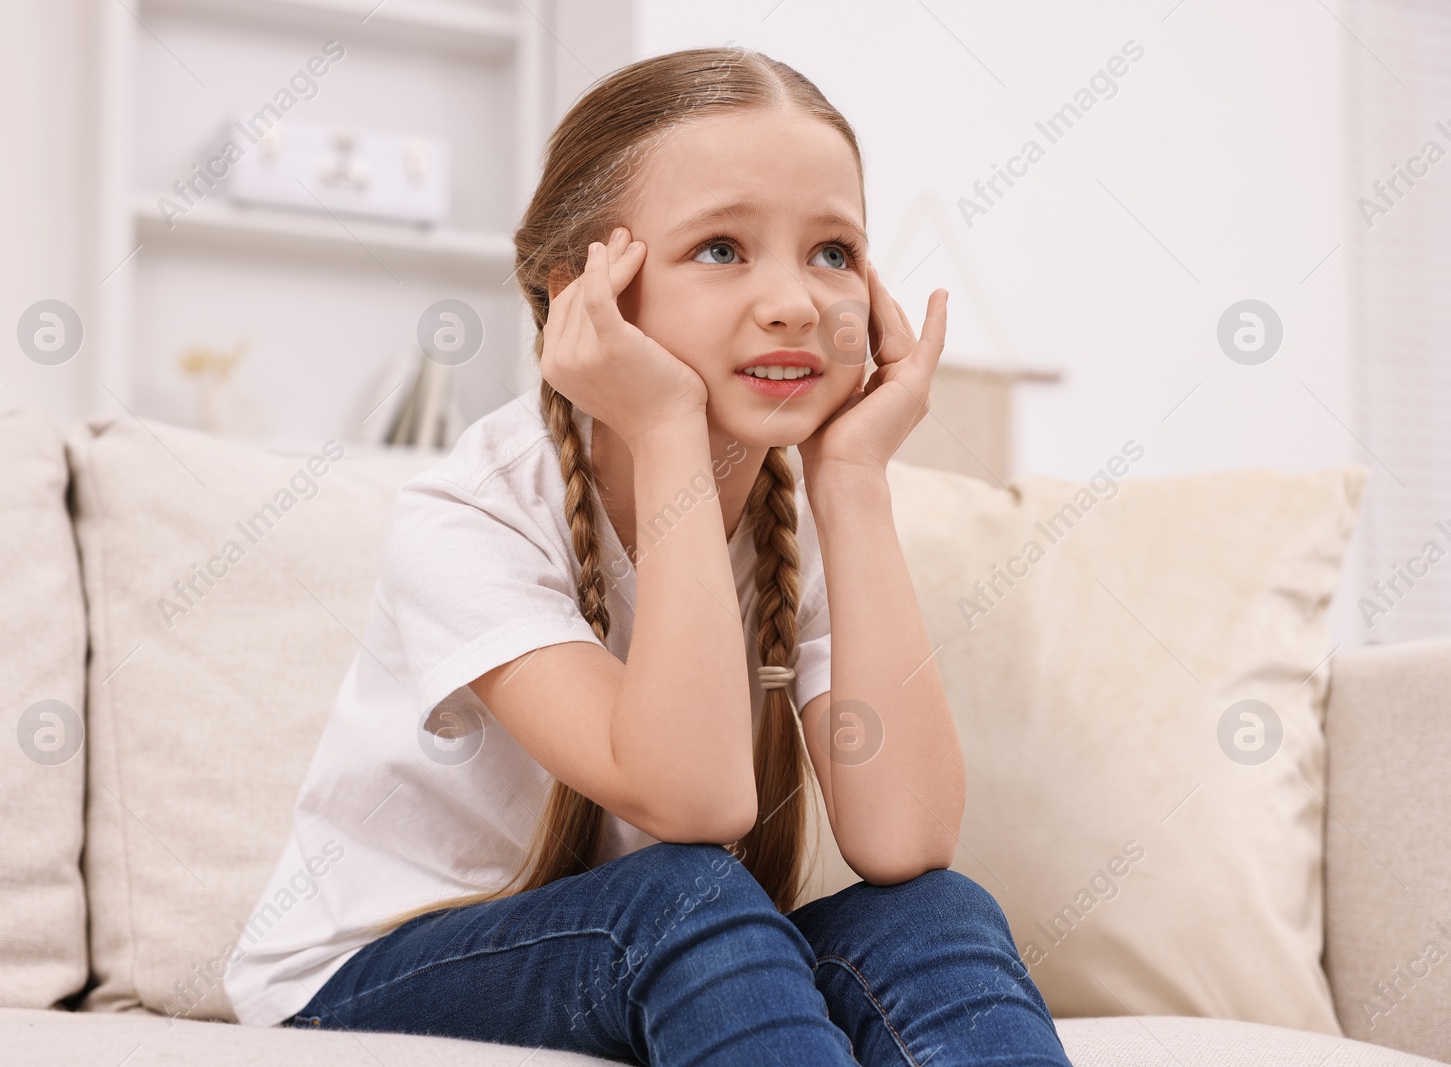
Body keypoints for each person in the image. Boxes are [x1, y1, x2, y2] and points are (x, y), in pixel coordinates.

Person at [224, 46, 1072, 1066]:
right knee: (686, 896)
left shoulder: (796, 508)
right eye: (721, 249)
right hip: (367, 970)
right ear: (589, 292)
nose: (795, 300)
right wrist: (667, 428)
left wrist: (850, 479)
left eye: (832, 252)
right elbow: (695, 802)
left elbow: (905, 838)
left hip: (644, 934)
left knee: (936, 911)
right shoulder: (469, 513)